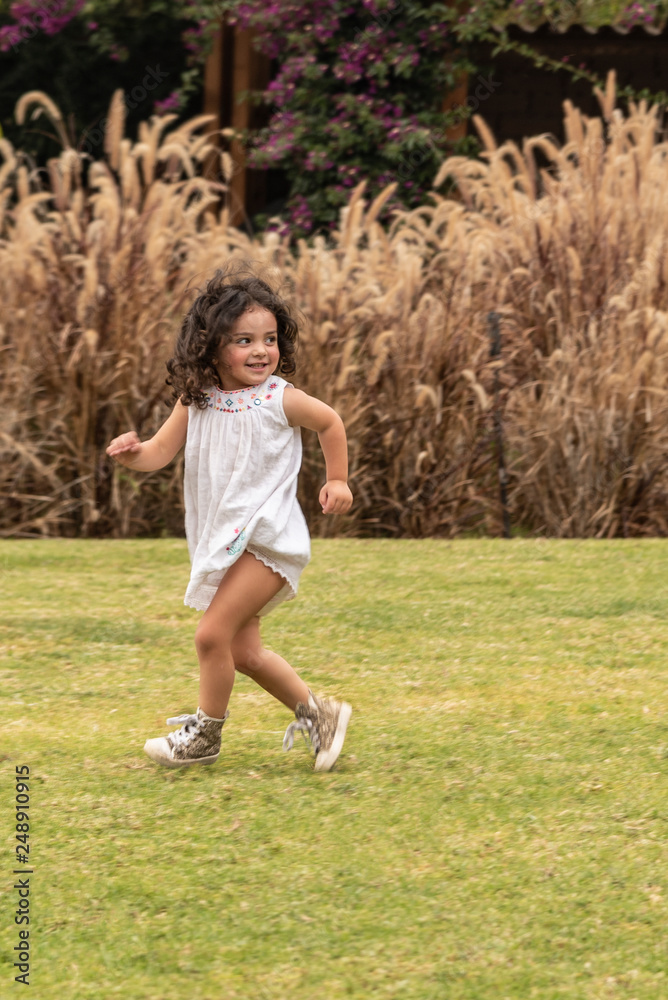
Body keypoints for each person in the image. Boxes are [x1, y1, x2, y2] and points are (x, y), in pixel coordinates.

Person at [106, 265, 353, 772]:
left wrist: (338, 480)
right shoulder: (196, 400)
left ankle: (204, 737)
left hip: (268, 538)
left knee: (210, 636)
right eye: (244, 340)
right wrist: (133, 453)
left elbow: (330, 420)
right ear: (211, 346)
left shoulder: (277, 399)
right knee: (243, 651)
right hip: (229, 541)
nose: (261, 350)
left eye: (269, 338)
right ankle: (322, 716)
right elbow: (158, 452)